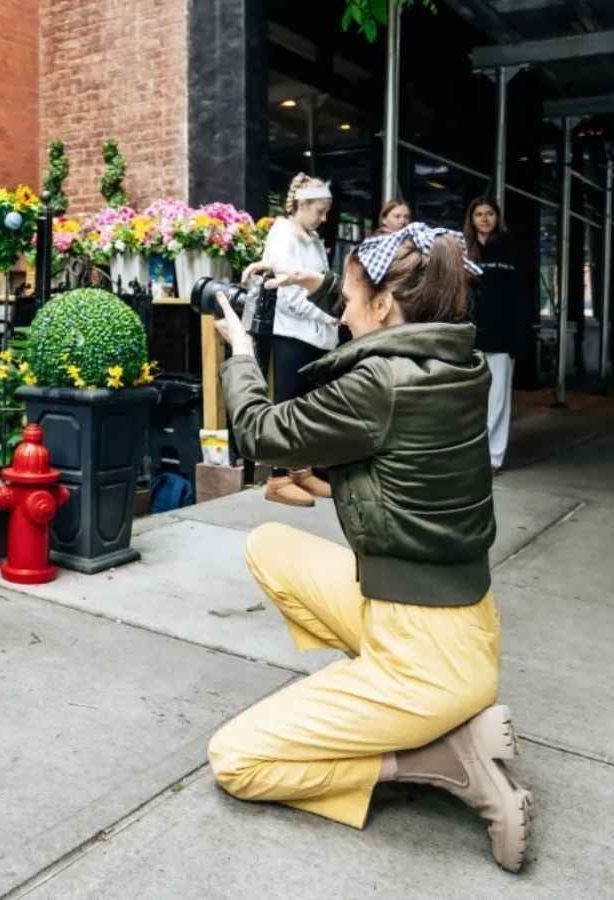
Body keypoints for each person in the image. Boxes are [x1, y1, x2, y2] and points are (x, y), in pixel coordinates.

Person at [209, 223, 532, 873]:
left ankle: (434, 759)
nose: (346, 315)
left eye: (353, 300)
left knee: (237, 759)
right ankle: (412, 712)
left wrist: (243, 352)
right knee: (270, 544)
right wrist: (317, 284)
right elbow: (377, 319)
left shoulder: (379, 387)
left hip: (425, 658)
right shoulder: (454, 362)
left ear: (385, 305)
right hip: (458, 619)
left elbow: (258, 431)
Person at [254, 173, 340, 507]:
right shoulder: (282, 234)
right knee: (286, 407)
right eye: (320, 210)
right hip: (292, 335)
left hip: (317, 338)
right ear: (302, 204)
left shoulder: (313, 238)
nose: (324, 217)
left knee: (308, 410)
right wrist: (328, 315)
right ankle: (277, 478)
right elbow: (288, 294)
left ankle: (301, 471)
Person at [464, 197, 522, 474]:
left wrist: (519, 336)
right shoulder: (463, 249)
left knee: (497, 398)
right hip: (469, 335)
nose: (485, 219)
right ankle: (470, 455)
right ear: (471, 219)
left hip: (501, 335)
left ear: (497, 218)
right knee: (470, 399)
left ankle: (493, 458)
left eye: (490, 214)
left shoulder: (510, 248)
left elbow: (520, 296)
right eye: (479, 214)